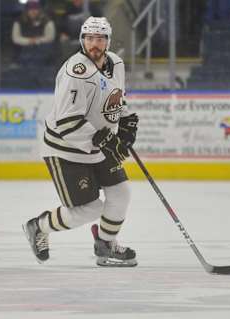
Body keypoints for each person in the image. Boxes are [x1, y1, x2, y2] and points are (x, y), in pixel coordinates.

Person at [22, 16, 139, 267]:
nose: (94, 44)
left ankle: (105, 245)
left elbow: (116, 98)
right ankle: (38, 226)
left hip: (98, 144)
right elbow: (66, 122)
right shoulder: (74, 72)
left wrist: (127, 122)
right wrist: (105, 140)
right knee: (89, 209)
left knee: (121, 194)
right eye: (89, 38)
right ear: (82, 40)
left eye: (99, 39)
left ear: (107, 41)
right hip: (66, 149)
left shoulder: (116, 63)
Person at [11, 0, 56, 65]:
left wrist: (37, 40)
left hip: (42, 50)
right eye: (30, 9)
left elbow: (50, 37)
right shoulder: (19, 21)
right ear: (26, 10)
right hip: (23, 50)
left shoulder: (47, 21)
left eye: (35, 9)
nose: (33, 12)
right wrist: (29, 41)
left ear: (39, 10)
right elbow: (15, 38)